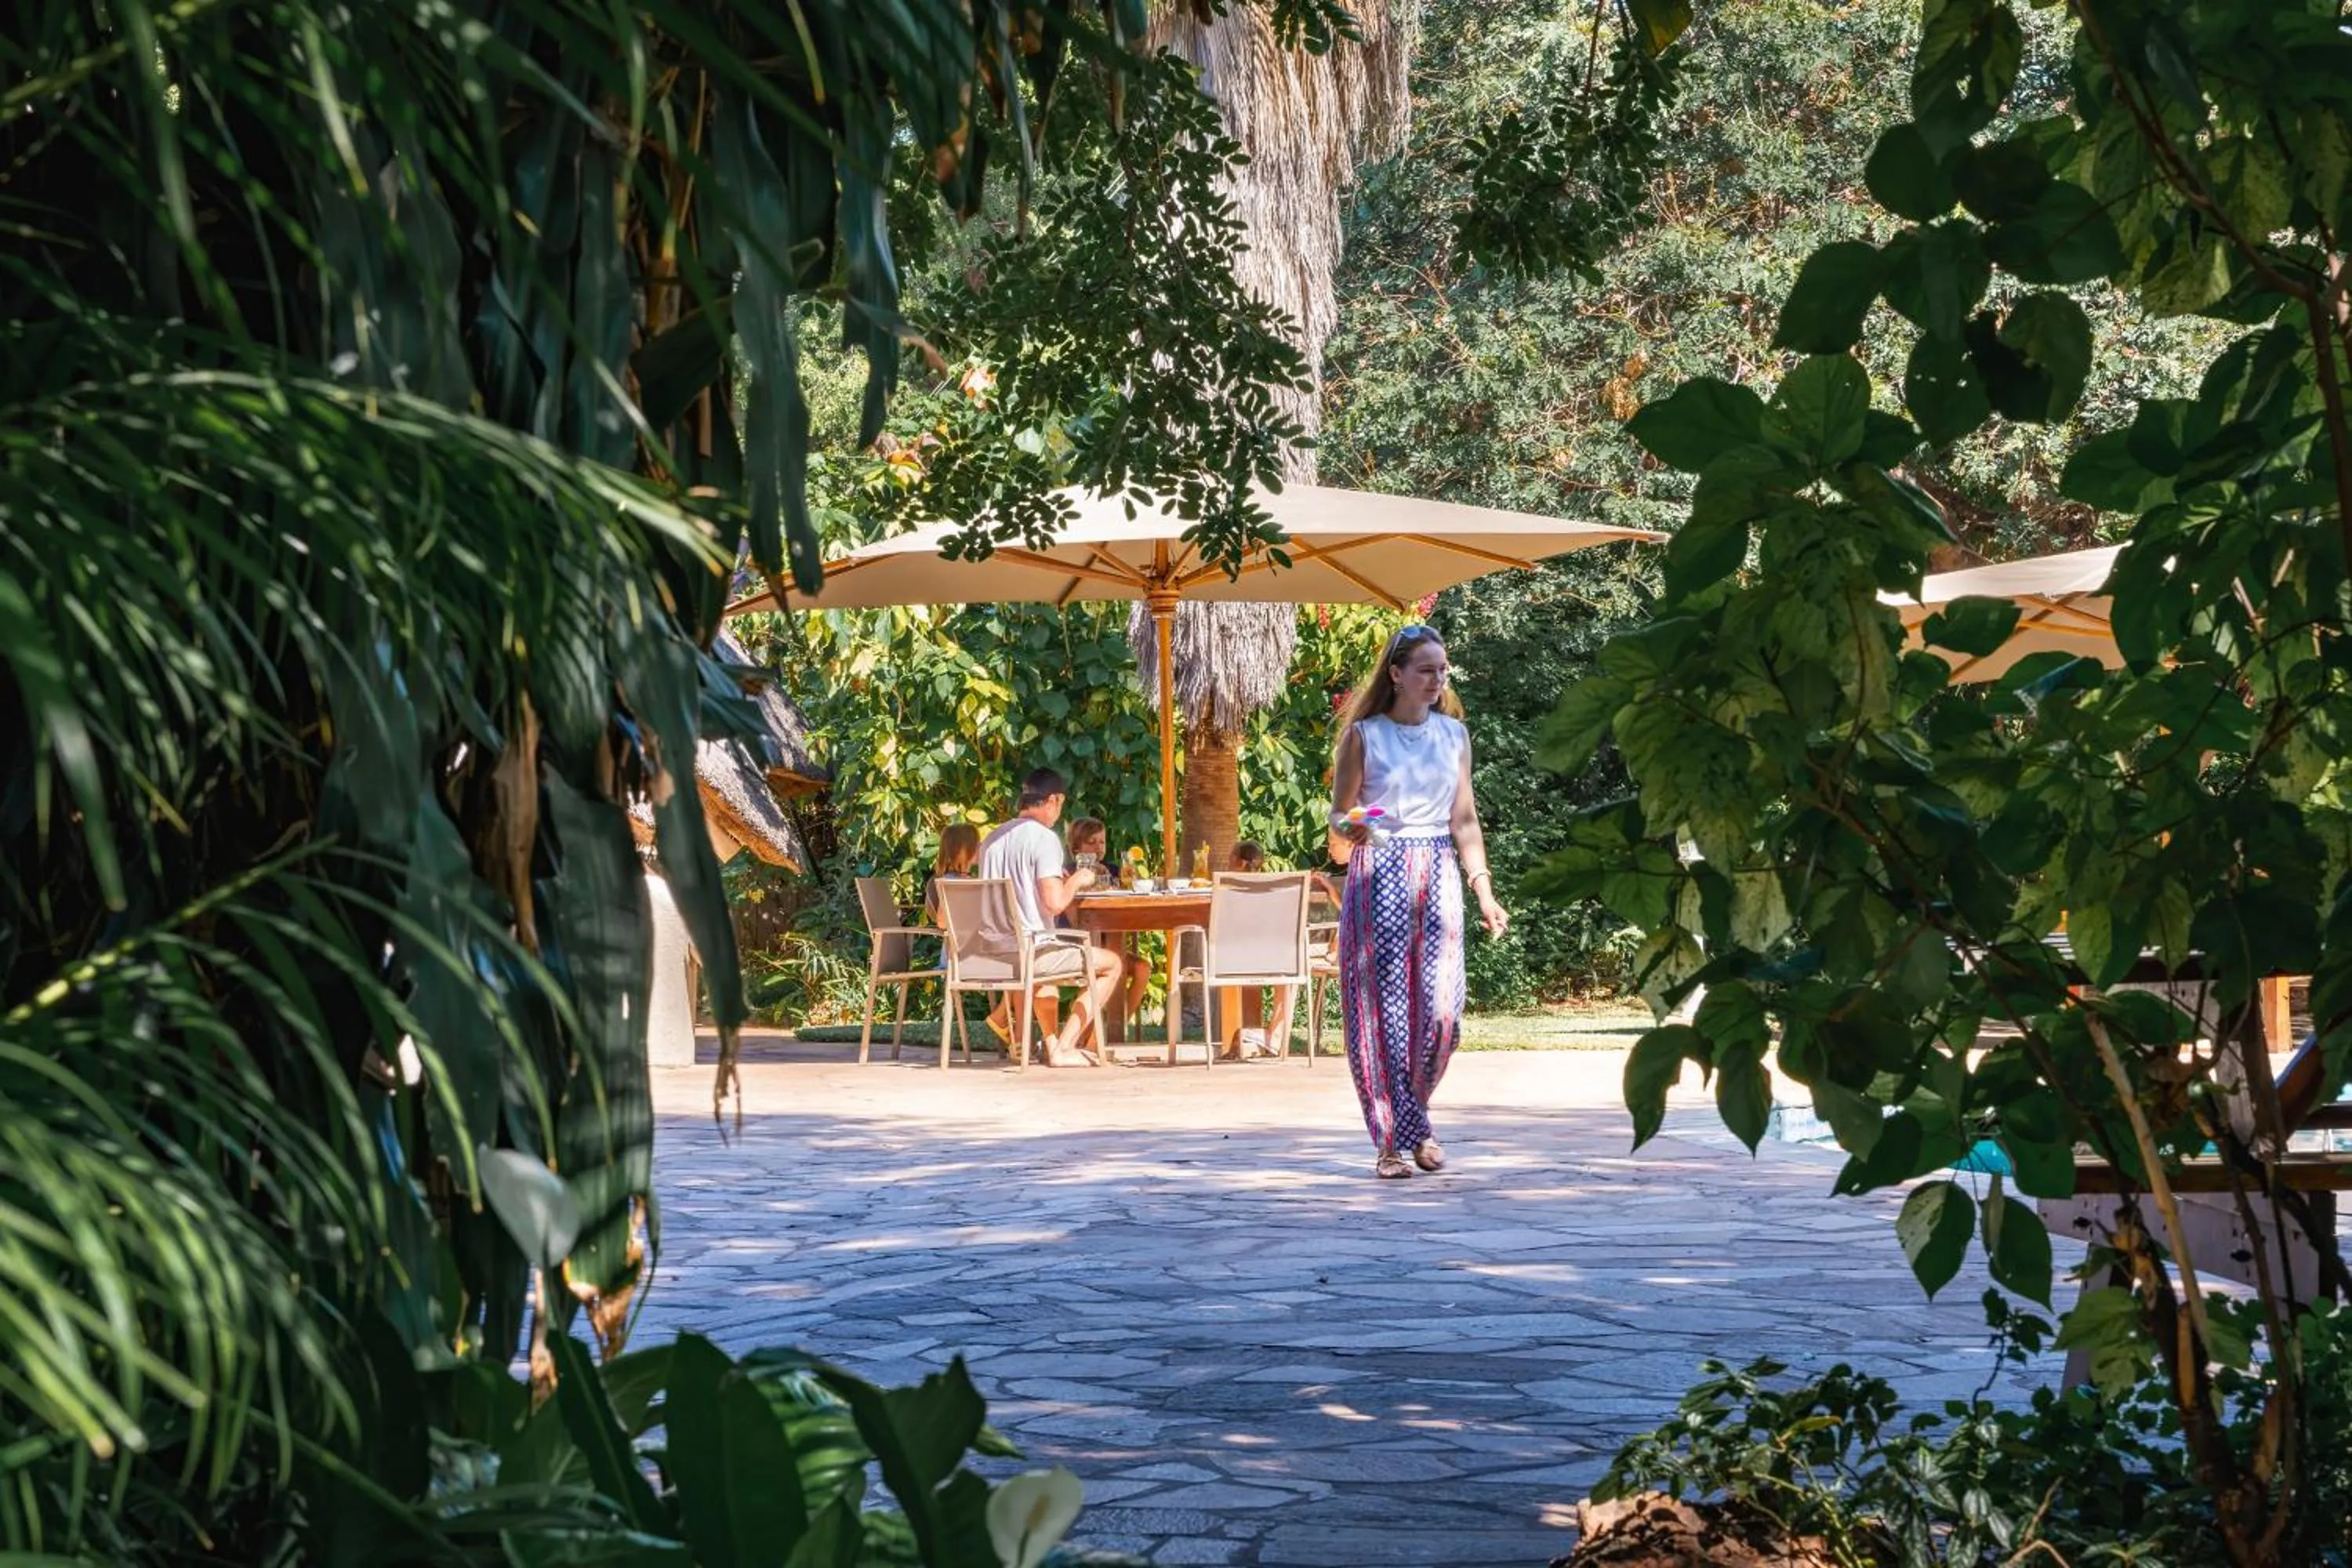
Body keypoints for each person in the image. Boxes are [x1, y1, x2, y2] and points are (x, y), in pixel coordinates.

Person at [1328, 623, 1508, 1179]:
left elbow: (1465, 819)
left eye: (1442, 669)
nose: (1437, 679)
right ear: (1398, 673)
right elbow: (1340, 818)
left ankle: (1413, 1118)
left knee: (1442, 1015)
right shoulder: (1364, 735)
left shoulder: (1454, 736)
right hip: (1379, 870)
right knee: (1382, 1018)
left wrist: (1484, 889)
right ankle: (1394, 1141)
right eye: (1426, 669)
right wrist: (1381, 826)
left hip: (1440, 875)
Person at [976, 768, 1124, 1067]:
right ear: (1054, 800)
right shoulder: (1044, 839)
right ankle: (1066, 1047)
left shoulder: (991, 840)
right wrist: (1078, 880)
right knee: (1112, 964)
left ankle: (1053, 1045)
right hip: (1030, 952)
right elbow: (1055, 903)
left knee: (1049, 968)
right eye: (1060, 804)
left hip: (990, 953)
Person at [1066, 816, 1151, 1029]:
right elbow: (1071, 915)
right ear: (1077, 848)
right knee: (1107, 968)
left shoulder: (1112, 870)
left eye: (1102, 842)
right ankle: (1088, 1033)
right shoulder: (1068, 874)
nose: (1098, 848)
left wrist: (1128, 879)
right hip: (1080, 946)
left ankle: (1116, 1027)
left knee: (1142, 968)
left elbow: (1128, 894)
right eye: (1091, 842)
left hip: (1111, 944)